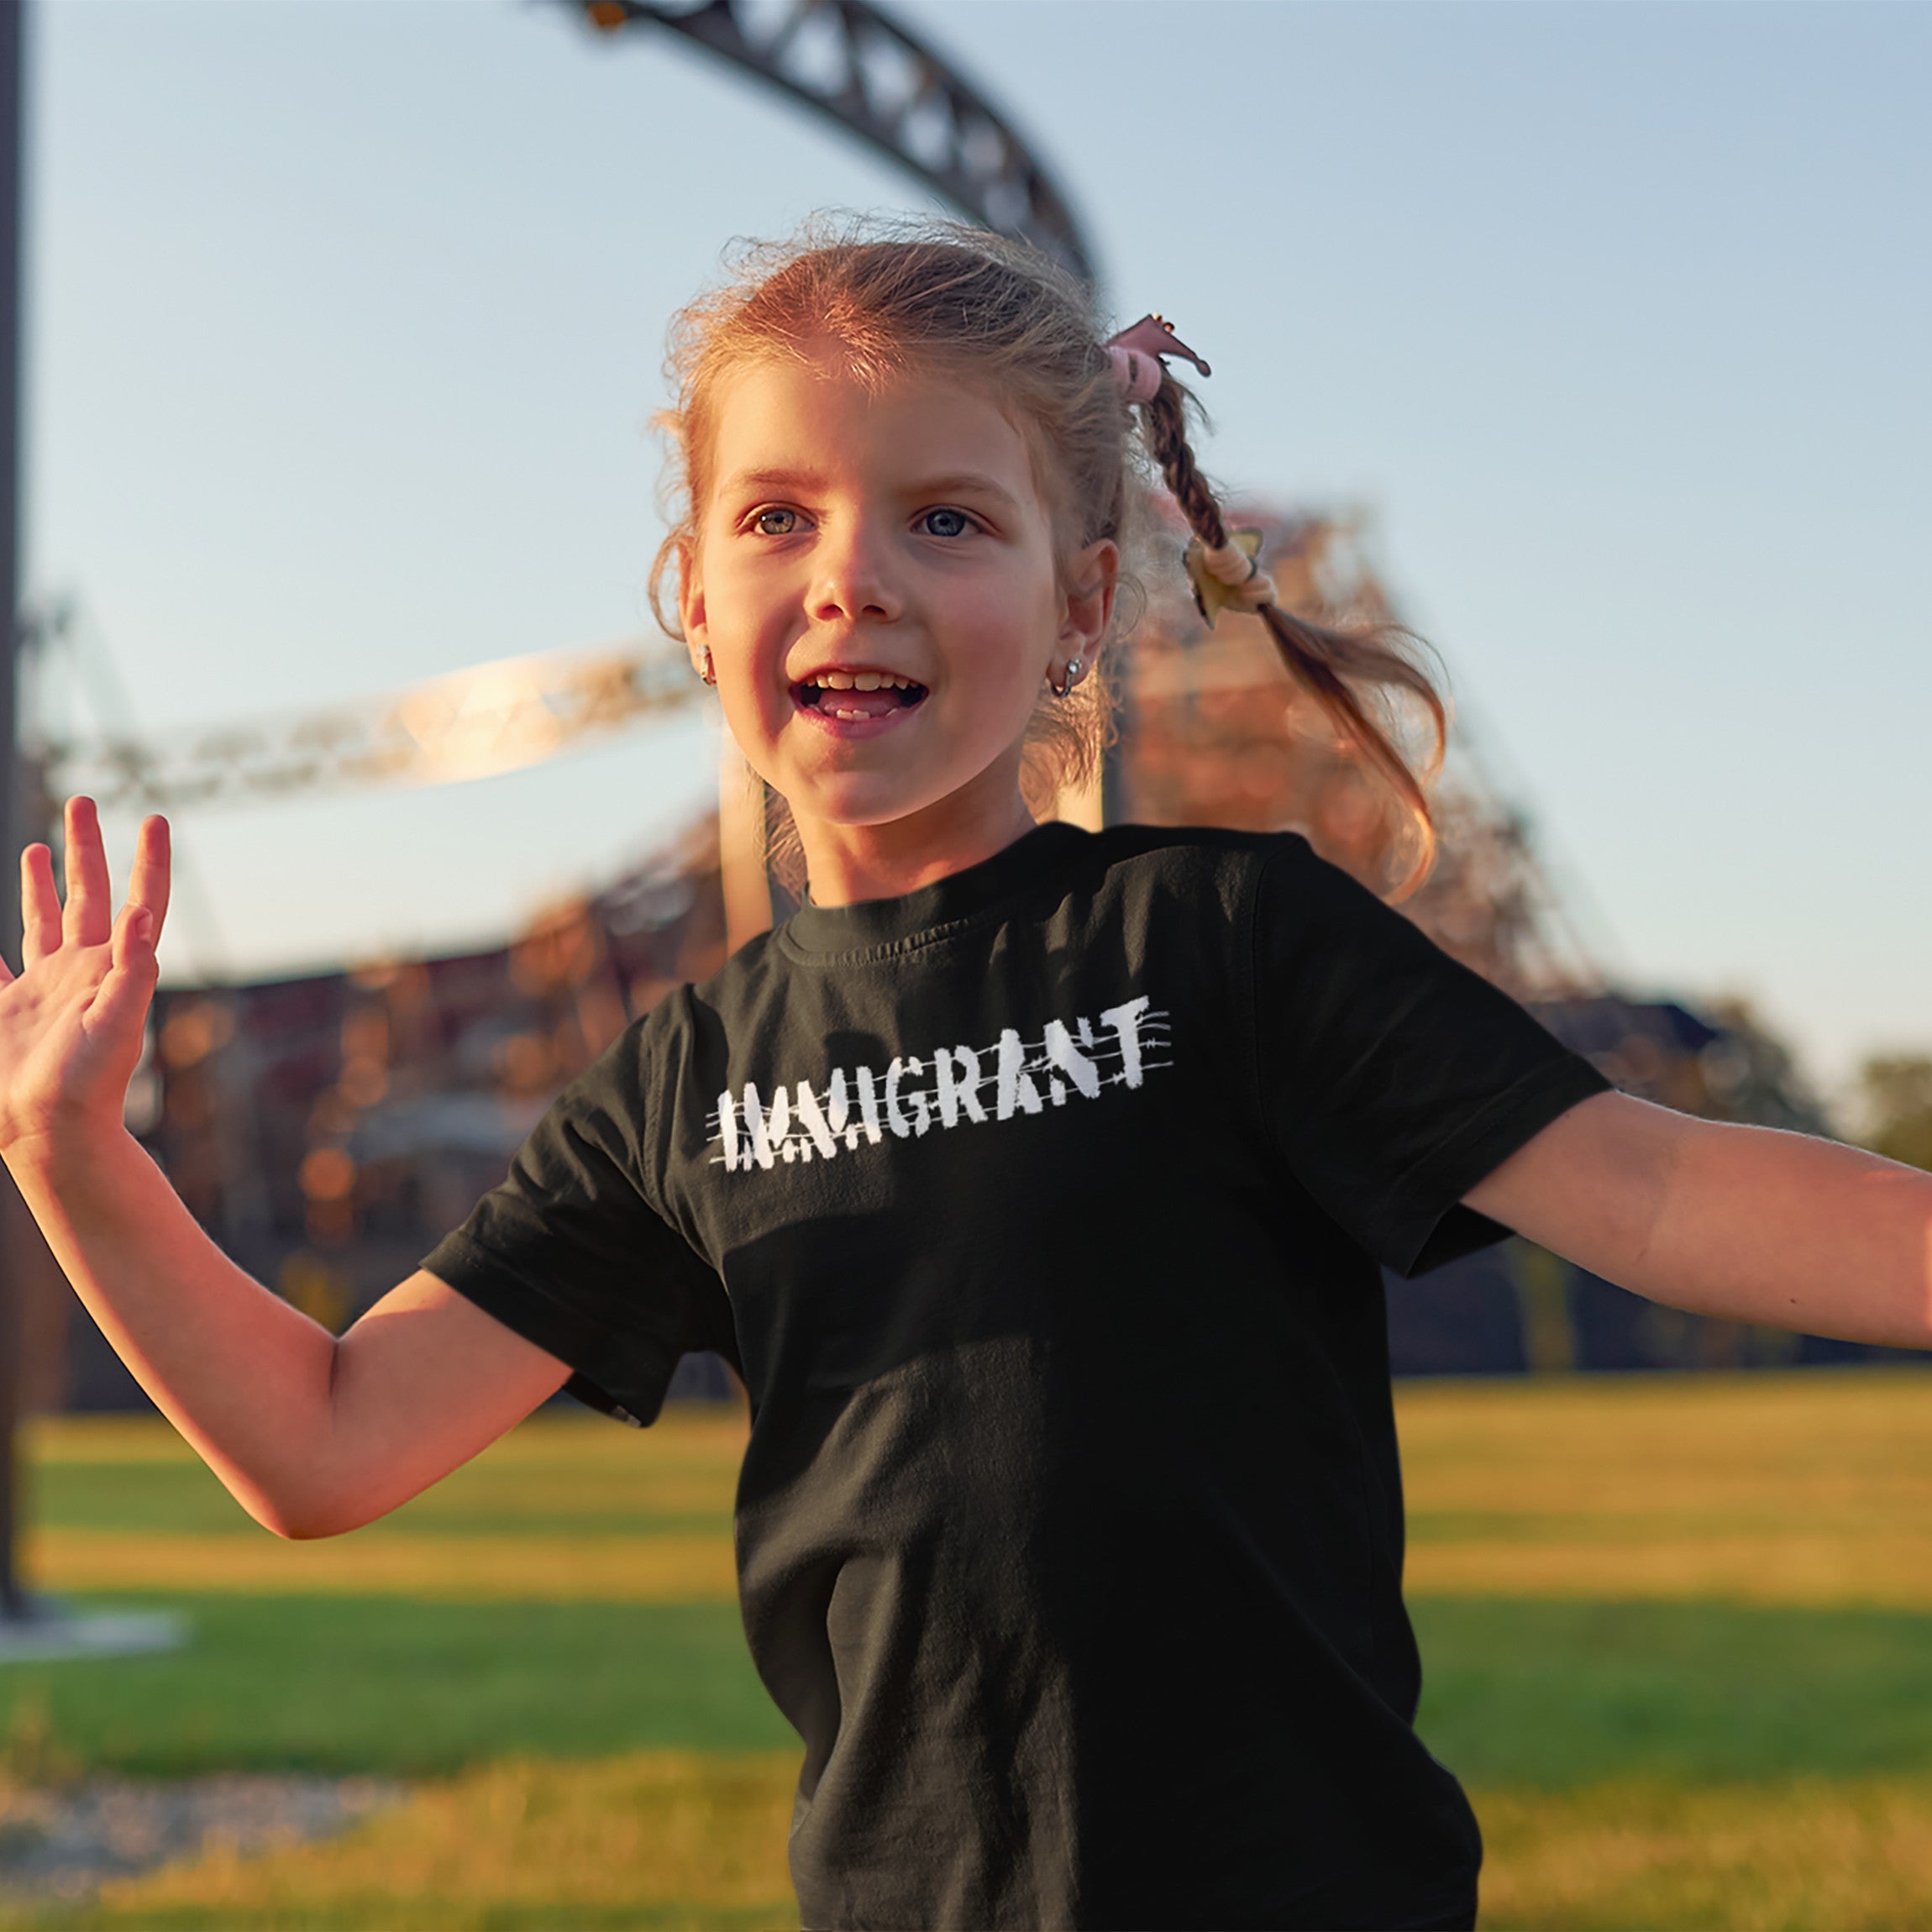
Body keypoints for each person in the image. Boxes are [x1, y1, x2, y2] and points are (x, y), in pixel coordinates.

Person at [1, 221, 1928, 1932]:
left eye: (946, 516)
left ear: (1082, 605)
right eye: (778, 518)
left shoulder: (1220, 942)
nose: (852, 576)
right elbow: (324, 1444)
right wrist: (74, 1150)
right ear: (692, 593)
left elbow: (1657, 1188)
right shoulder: (685, 1078)